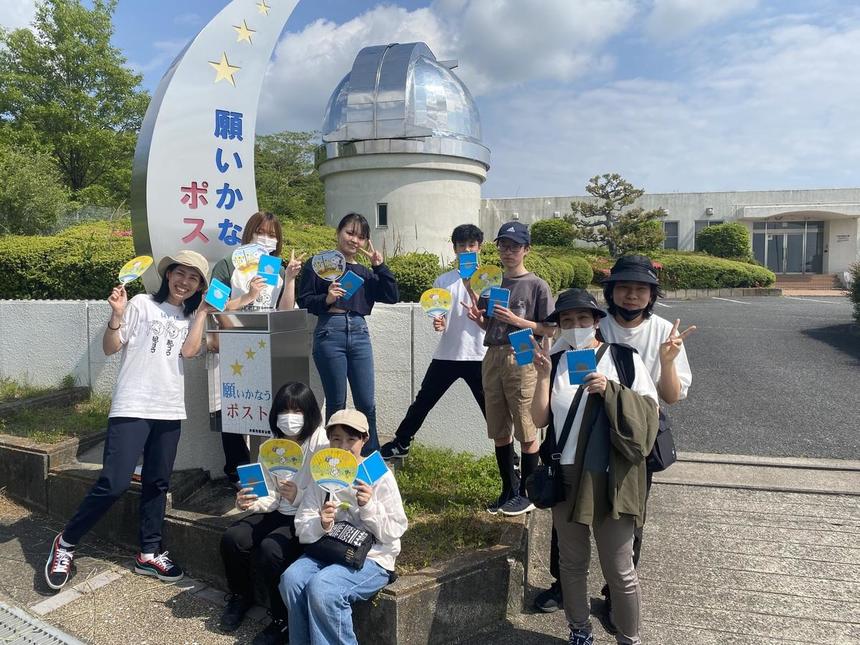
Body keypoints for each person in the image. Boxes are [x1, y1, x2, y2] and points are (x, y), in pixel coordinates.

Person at [533, 255, 694, 621]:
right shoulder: (571, 346)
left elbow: (666, 398)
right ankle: (566, 591)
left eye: (641, 289)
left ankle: (615, 600)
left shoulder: (658, 333)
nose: (632, 295)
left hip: (627, 445)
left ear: (652, 295)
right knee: (568, 534)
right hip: (572, 455)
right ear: (611, 293)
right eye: (624, 287)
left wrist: (666, 362)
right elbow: (546, 406)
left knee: (625, 533)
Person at [44, 250, 211, 591]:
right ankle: (66, 542)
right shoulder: (141, 303)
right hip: (132, 405)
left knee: (157, 483)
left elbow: (190, 352)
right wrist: (116, 316)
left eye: (194, 278)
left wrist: (204, 312)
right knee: (115, 482)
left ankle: (149, 552)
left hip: (169, 409)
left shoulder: (191, 316)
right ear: (168, 274)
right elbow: (110, 347)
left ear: (199, 286)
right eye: (180, 273)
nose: (185, 282)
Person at [530, 288, 659, 645]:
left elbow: (649, 416)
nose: (575, 327)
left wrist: (611, 389)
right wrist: (541, 376)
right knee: (571, 564)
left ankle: (628, 638)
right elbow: (539, 418)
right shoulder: (555, 361)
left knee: (620, 570)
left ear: (597, 321)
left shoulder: (622, 359)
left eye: (582, 319)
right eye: (566, 321)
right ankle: (579, 630)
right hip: (566, 474)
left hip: (611, 475)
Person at [279, 409, 407, 645]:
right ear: (329, 439)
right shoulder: (325, 473)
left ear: (364, 440)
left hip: (373, 557)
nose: (344, 446)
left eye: (352, 439)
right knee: (292, 579)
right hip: (332, 549)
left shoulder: (378, 474)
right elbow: (303, 524)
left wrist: (369, 507)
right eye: (336, 439)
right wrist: (322, 522)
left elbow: (395, 530)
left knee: (324, 588)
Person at [218, 382, 327, 645]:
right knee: (233, 538)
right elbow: (266, 494)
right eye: (284, 410)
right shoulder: (270, 446)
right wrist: (249, 501)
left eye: (297, 410)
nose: (290, 417)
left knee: (271, 549)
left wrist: (297, 496)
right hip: (276, 510)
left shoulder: (321, 446)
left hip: (305, 516)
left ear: (310, 413)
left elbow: (323, 496)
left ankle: (282, 620)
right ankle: (240, 596)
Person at [462, 221, 554, 516]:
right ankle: (508, 489)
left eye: (515, 246)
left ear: (526, 249)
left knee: (527, 428)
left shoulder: (537, 285)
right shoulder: (491, 282)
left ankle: (527, 493)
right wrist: (479, 319)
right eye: (503, 245)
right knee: (498, 427)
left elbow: (549, 328)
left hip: (523, 354)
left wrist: (517, 321)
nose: (508, 251)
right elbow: (491, 324)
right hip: (493, 355)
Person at [209, 211, 304, 487]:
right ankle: (239, 473)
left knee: (268, 410)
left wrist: (290, 278)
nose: (266, 238)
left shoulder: (277, 267)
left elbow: (284, 311)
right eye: (261, 232)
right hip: (233, 349)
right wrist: (248, 296)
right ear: (248, 233)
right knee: (235, 410)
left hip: (268, 349)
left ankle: (273, 470)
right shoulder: (228, 264)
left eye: (272, 234)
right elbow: (214, 306)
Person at [380, 224, 487, 459]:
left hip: (480, 355)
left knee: (492, 410)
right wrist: (440, 324)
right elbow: (442, 318)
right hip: (447, 354)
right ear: (455, 249)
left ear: (480, 247)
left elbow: (489, 315)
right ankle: (402, 442)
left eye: (471, 245)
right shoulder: (443, 281)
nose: (466, 249)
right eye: (461, 245)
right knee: (423, 400)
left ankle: (512, 459)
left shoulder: (489, 278)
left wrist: (472, 287)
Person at [297, 213, 399, 454]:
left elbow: (391, 296)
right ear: (338, 232)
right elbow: (304, 301)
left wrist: (380, 266)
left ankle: (369, 457)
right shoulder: (319, 264)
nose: (354, 240)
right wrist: (327, 298)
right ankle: (336, 458)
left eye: (361, 237)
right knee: (336, 403)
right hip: (329, 332)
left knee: (367, 403)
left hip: (359, 331)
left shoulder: (365, 272)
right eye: (350, 233)